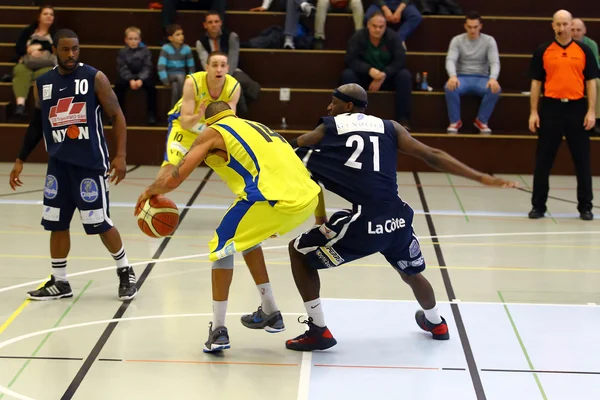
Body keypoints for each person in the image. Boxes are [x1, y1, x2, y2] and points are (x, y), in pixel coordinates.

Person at [284, 84, 517, 351]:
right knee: (411, 272)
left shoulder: (328, 127)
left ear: (347, 106)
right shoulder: (390, 126)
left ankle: (318, 331)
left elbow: (294, 150)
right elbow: (433, 155)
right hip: (397, 218)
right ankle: (435, 321)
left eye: (333, 102)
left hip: (365, 223)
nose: (328, 107)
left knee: (299, 253)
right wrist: (481, 177)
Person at [136, 102, 321, 353]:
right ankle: (270, 311)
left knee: (221, 246)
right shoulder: (256, 126)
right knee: (246, 237)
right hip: (307, 200)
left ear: (208, 120)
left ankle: (218, 330)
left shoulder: (213, 131)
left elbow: (174, 179)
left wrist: (148, 191)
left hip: (270, 199)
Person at [8, 29, 138, 301]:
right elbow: (36, 125)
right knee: (56, 222)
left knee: (100, 221)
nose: (71, 54)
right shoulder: (42, 83)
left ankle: (125, 270)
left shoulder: (94, 77)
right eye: (66, 49)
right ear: (55, 50)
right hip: (58, 165)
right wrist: (20, 158)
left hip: (89, 163)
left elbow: (117, 115)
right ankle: (60, 281)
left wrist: (122, 155)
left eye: (75, 49)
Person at [528, 10, 599, 221]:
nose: (562, 28)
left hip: (577, 108)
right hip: (551, 109)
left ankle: (585, 206)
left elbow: (591, 82)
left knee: (583, 161)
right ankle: (538, 206)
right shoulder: (543, 51)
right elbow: (536, 83)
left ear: (571, 25)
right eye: (558, 24)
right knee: (543, 161)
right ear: (553, 25)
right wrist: (533, 112)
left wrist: (591, 111)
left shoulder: (584, 50)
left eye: (565, 24)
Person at [159, 51, 240, 181]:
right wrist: (199, 115)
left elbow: (229, 123)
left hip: (211, 130)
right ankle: (152, 198)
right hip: (185, 128)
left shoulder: (233, 87)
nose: (219, 69)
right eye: (214, 65)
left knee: (237, 165)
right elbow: (185, 122)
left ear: (227, 68)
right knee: (170, 170)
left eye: (222, 65)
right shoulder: (193, 82)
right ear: (207, 67)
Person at [342, 12, 412, 127]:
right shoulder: (358, 37)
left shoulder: (393, 37)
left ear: (385, 27)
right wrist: (369, 70)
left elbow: (400, 61)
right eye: (374, 26)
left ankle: (402, 120)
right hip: (364, 77)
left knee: (404, 75)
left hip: (387, 78)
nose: (377, 30)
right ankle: (348, 118)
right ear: (368, 25)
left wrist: (384, 74)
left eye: (381, 27)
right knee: (347, 75)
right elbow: (349, 59)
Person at [444, 11, 501, 134]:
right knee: (450, 87)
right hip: (461, 77)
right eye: (469, 27)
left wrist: (493, 78)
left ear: (480, 26)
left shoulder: (489, 40)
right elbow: (450, 59)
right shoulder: (457, 40)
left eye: (475, 27)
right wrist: (452, 76)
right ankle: (455, 121)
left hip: (482, 77)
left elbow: (494, 62)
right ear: (465, 26)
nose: (473, 30)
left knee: (495, 88)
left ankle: (482, 120)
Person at [196, 11, 260, 117]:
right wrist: (216, 73)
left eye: (216, 21)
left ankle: (243, 114)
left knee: (243, 82)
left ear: (221, 22)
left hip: (231, 69)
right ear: (205, 25)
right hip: (210, 72)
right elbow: (204, 62)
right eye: (210, 22)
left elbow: (233, 59)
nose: (213, 24)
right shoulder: (201, 42)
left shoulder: (231, 36)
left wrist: (224, 75)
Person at [12, 5, 57, 117]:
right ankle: (20, 106)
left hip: (45, 65)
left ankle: (43, 110)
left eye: (51, 14)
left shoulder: (55, 33)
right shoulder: (28, 31)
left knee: (48, 74)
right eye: (45, 14)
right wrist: (29, 50)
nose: (49, 16)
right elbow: (18, 48)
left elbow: (55, 47)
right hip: (27, 64)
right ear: (39, 16)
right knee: (20, 71)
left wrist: (39, 47)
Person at [114, 27, 157, 126]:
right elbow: (122, 68)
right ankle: (118, 116)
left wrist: (141, 79)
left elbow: (147, 66)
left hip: (142, 76)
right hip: (127, 77)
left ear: (140, 40)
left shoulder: (146, 51)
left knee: (152, 88)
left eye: (135, 39)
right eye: (130, 39)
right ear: (125, 40)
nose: (133, 41)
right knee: (118, 87)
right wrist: (130, 79)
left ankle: (151, 115)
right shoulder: (122, 52)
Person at [571, 18, 600, 132]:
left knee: (597, 84)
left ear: (584, 31)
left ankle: (596, 119)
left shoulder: (591, 44)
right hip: (568, 75)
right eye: (573, 30)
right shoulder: (563, 42)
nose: (575, 33)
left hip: (585, 76)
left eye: (579, 30)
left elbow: (595, 66)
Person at [158, 24, 196, 108]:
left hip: (181, 75)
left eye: (182, 34)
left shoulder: (187, 48)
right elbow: (161, 66)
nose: (181, 36)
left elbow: (191, 67)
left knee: (175, 87)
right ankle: (184, 106)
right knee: (180, 77)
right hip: (170, 74)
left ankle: (175, 110)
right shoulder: (166, 48)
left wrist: (190, 79)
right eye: (178, 35)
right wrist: (165, 80)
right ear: (170, 38)